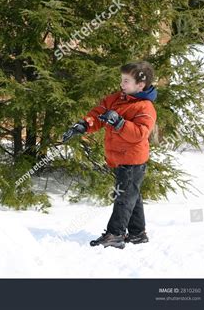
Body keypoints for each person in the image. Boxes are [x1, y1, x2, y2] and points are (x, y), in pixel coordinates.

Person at [63, 61, 157, 249]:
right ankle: (138, 233)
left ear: (140, 85)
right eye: (122, 80)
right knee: (132, 195)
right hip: (121, 158)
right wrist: (84, 125)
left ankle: (115, 234)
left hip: (133, 160)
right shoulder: (116, 99)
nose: (122, 84)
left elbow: (140, 133)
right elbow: (99, 114)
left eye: (126, 81)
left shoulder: (145, 107)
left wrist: (120, 123)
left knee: (123, 197)